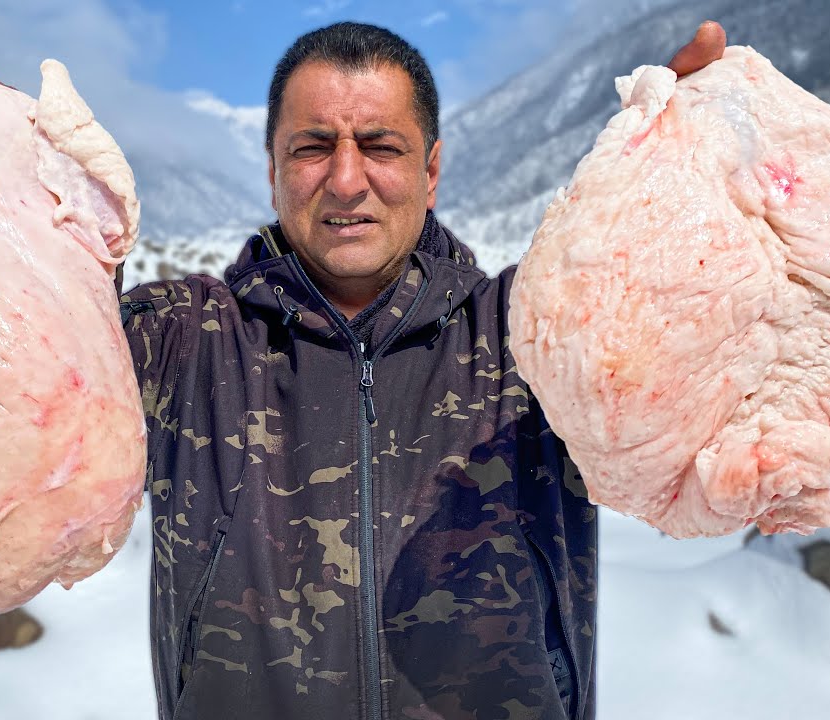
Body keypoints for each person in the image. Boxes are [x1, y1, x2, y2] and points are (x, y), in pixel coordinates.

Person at [117, 20, 725, 720]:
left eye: (380, 146)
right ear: (273, 170)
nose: (346, 181)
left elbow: (680, 321)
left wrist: (666, 179)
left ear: (430, 172)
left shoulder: (531, 334)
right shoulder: (186, 343)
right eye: (313, 148)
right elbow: (24, 331)